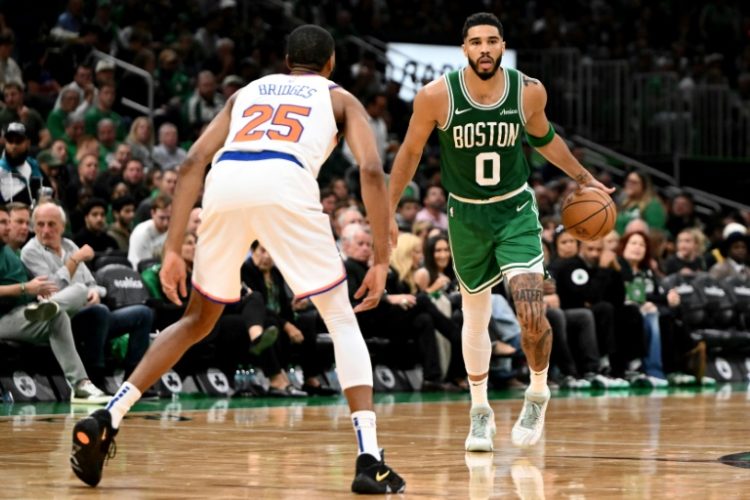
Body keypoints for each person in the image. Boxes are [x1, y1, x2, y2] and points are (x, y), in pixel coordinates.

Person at [71, 25, 405, 494]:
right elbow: (371, 169)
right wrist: (381, 260)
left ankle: (110, 415)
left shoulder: (248, 92)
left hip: (225, 181)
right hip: (286, 179)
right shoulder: (340, 98)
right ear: (330, 64)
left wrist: (171, 252)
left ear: (288, 60)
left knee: (196, 319)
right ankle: (369, 457)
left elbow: (190, 164)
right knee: (341, 317)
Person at [386, 12, 613, 451]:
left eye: (492, 41)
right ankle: (479, 411)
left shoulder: (528, 91)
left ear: (502, 46)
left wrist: (584, 177)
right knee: (475, 317)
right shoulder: (435, 96)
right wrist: (387, 214)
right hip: (466, 216)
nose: (484, 49)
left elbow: (545, 138)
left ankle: (537, 393)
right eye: (476, 42)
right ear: (464, 49)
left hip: (514, 211)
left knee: (531, 310)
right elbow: (410, 153)